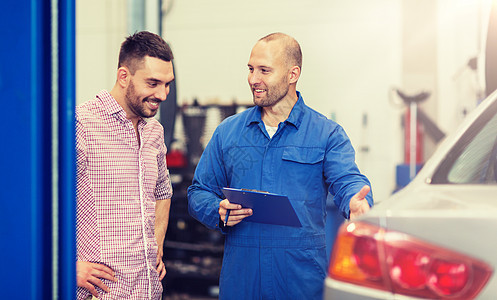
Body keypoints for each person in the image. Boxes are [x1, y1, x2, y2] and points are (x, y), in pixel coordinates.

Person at [187, 32, 374, 299]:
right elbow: (198, 192)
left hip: (300, 282)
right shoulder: (228, 133)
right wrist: (216, 209)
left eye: (264, 70)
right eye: (251, 69)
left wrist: (356, 203)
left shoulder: (326, 134)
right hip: (242, 281)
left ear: (292, 74)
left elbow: (347, 180)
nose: (253, 79)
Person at [76, 31, 175, 299]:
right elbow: (39, 205)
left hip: (147, 289)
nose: (163, 94)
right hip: (100, 292)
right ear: (123, 76)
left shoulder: (154, 132)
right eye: (153, 83)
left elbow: (163, 193)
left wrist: (156, 246)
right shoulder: (80, 125)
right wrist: (67, 266)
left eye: (167, 84)